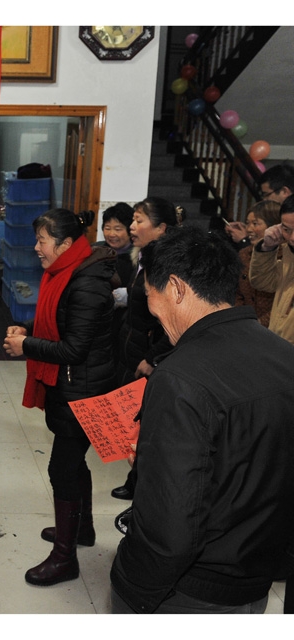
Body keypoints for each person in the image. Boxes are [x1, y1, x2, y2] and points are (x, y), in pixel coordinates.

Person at [110, 226, 294, 614]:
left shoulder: (180, 378)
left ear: (176, 288)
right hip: (255, 580)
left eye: (151, 295)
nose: (152, 310)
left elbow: (170, 526)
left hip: (192, 593)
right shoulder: (284, 356)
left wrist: (132, 587)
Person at [3, 208, 115, 586]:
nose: (36, 247)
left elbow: (73, 349)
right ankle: (81, 529)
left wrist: (26, 346)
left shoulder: (86, 283)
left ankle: (65, 558)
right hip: (71, 386)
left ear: (66, 244)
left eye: (42, 241)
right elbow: (58, 322)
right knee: (72, 464)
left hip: (84, 390)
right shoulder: (65, 271)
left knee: (62, 469)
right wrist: (28, 328)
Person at [110, 197, 183, 502]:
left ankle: (143, 485)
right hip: (133, 346)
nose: (132, 226)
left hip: (151, 353)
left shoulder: (169, 264)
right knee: (134, 421)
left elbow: (176, 321)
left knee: (149, 424)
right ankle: (136, 477)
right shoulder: (144, 257)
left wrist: (153, 357)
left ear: (162, 228)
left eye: (139, 220)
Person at [249, 194, 294, 344]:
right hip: (279, 347)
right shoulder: (289, 252)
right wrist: (267, 248)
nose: (292, 238)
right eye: (287, 230)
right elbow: (262, 282)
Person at [93, 202, 134, 362]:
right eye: (107, 228)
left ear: (130, 229)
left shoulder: (137, 257)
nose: (111, 234)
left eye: (118, 229)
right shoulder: (95, 251)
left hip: (123, 324)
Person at [234, 199, 280, 327]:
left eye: (255, 223)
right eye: (247, 223)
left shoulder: (286, 258)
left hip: (275, 329)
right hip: (245, 326)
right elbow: (238, 294)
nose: (249, 229)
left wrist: (259, 324)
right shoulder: (244, 254)